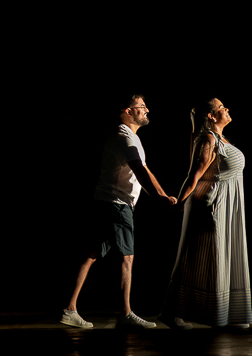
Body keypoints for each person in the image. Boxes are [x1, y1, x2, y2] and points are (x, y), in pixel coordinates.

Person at [60, 95, 177, 329]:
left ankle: (69, 309)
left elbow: (145, 169)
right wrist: (160, 199)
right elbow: (139, 171)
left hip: (107, 202)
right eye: (142, 107)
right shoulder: (123, 137)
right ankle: (125, 313)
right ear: (128, 111)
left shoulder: (131, 138)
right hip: (116, 204)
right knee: (127, 256)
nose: (147, 110)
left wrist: (164, 195)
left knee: (91, 254)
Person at [159, 98, 252, 329]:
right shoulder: (208, 139)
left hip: (226, 204)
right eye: (221, 107)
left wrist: (194, 123)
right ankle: (173, 313)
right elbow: (194, 174)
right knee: (202, 259)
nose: (227, 108)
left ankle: (227, 313)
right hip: (212, 203)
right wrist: (179, 202)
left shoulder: (215, 138)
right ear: (211, 116)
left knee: (220, 255)